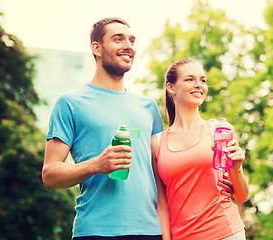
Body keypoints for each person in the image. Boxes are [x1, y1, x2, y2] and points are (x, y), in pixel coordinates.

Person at [41, 17, 171, 240]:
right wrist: (97, 165)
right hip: (95, 231)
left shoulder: (148, 106)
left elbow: (159, 177)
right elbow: (50, 175)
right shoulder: (71, 103)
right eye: (118, 39)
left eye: (132, 40)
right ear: (97, 48)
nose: (128, 46)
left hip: (150, 231)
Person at [156, 58, 249, 240]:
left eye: (203, 80)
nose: (199, 85)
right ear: (171, 87)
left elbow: (242, 196)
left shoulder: (220, 131)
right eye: (190, 79)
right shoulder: (156, 143)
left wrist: (236, 170)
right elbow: (161, 205)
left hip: (226, 232)